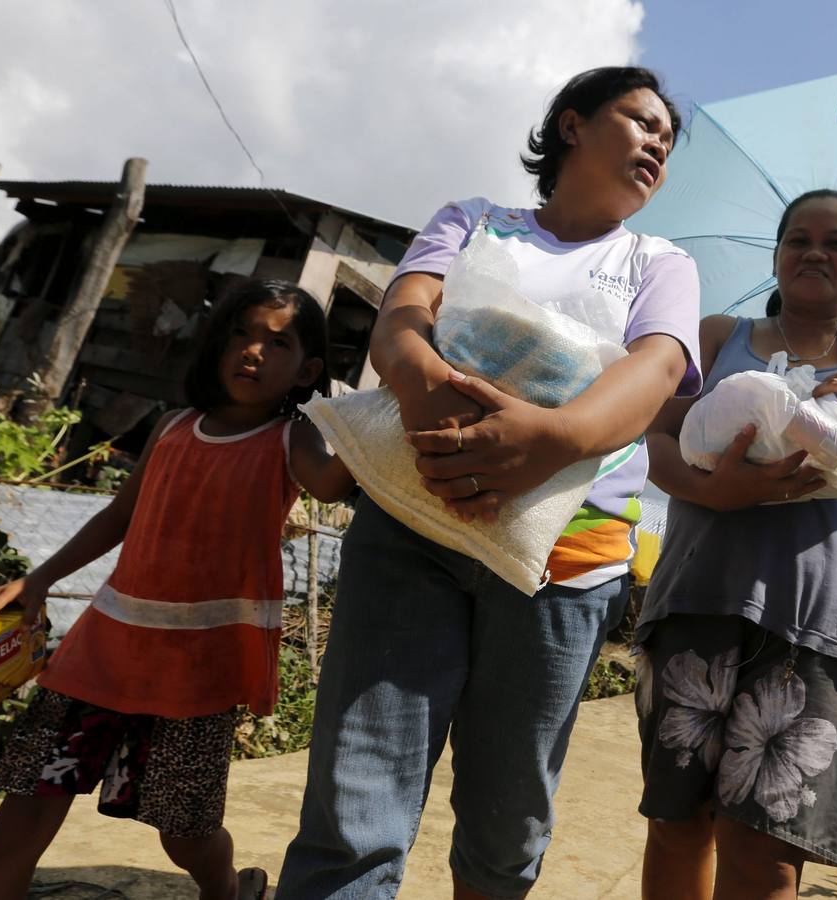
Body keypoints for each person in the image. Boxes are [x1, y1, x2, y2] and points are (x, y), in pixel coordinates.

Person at [277, 66, 701, 899]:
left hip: (565, 564)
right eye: (639, 120)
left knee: (507, 827)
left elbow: (656, 372)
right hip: (410, 529)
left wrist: (555, 439)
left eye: (667, 140)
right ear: (572, 126)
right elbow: (404, 321)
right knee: (353, 802)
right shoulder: (472, 222)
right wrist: (437, 406)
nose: (657, 142)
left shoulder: (660, 263)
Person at [0, 280, 354, 900]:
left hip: (200, 672)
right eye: (241, 333)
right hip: (102, 653)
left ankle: (225, 886)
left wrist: (388, 422)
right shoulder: (173, 427)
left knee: (183, 830)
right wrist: (38, 579)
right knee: (28, 806)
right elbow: (119, 515)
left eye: (277, 343)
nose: (253, 351)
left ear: (305, 368)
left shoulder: (290, 440)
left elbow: (331, 485)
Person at [636, 188, 837, 900]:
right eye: (797, 239)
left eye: (836, 243)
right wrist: (712, 488)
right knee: (679, 823)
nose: (815, 252)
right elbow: (652, 432)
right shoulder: (716, 338)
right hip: (698, 599)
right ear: (775, 257)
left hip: (819, 629)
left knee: (770, 855)